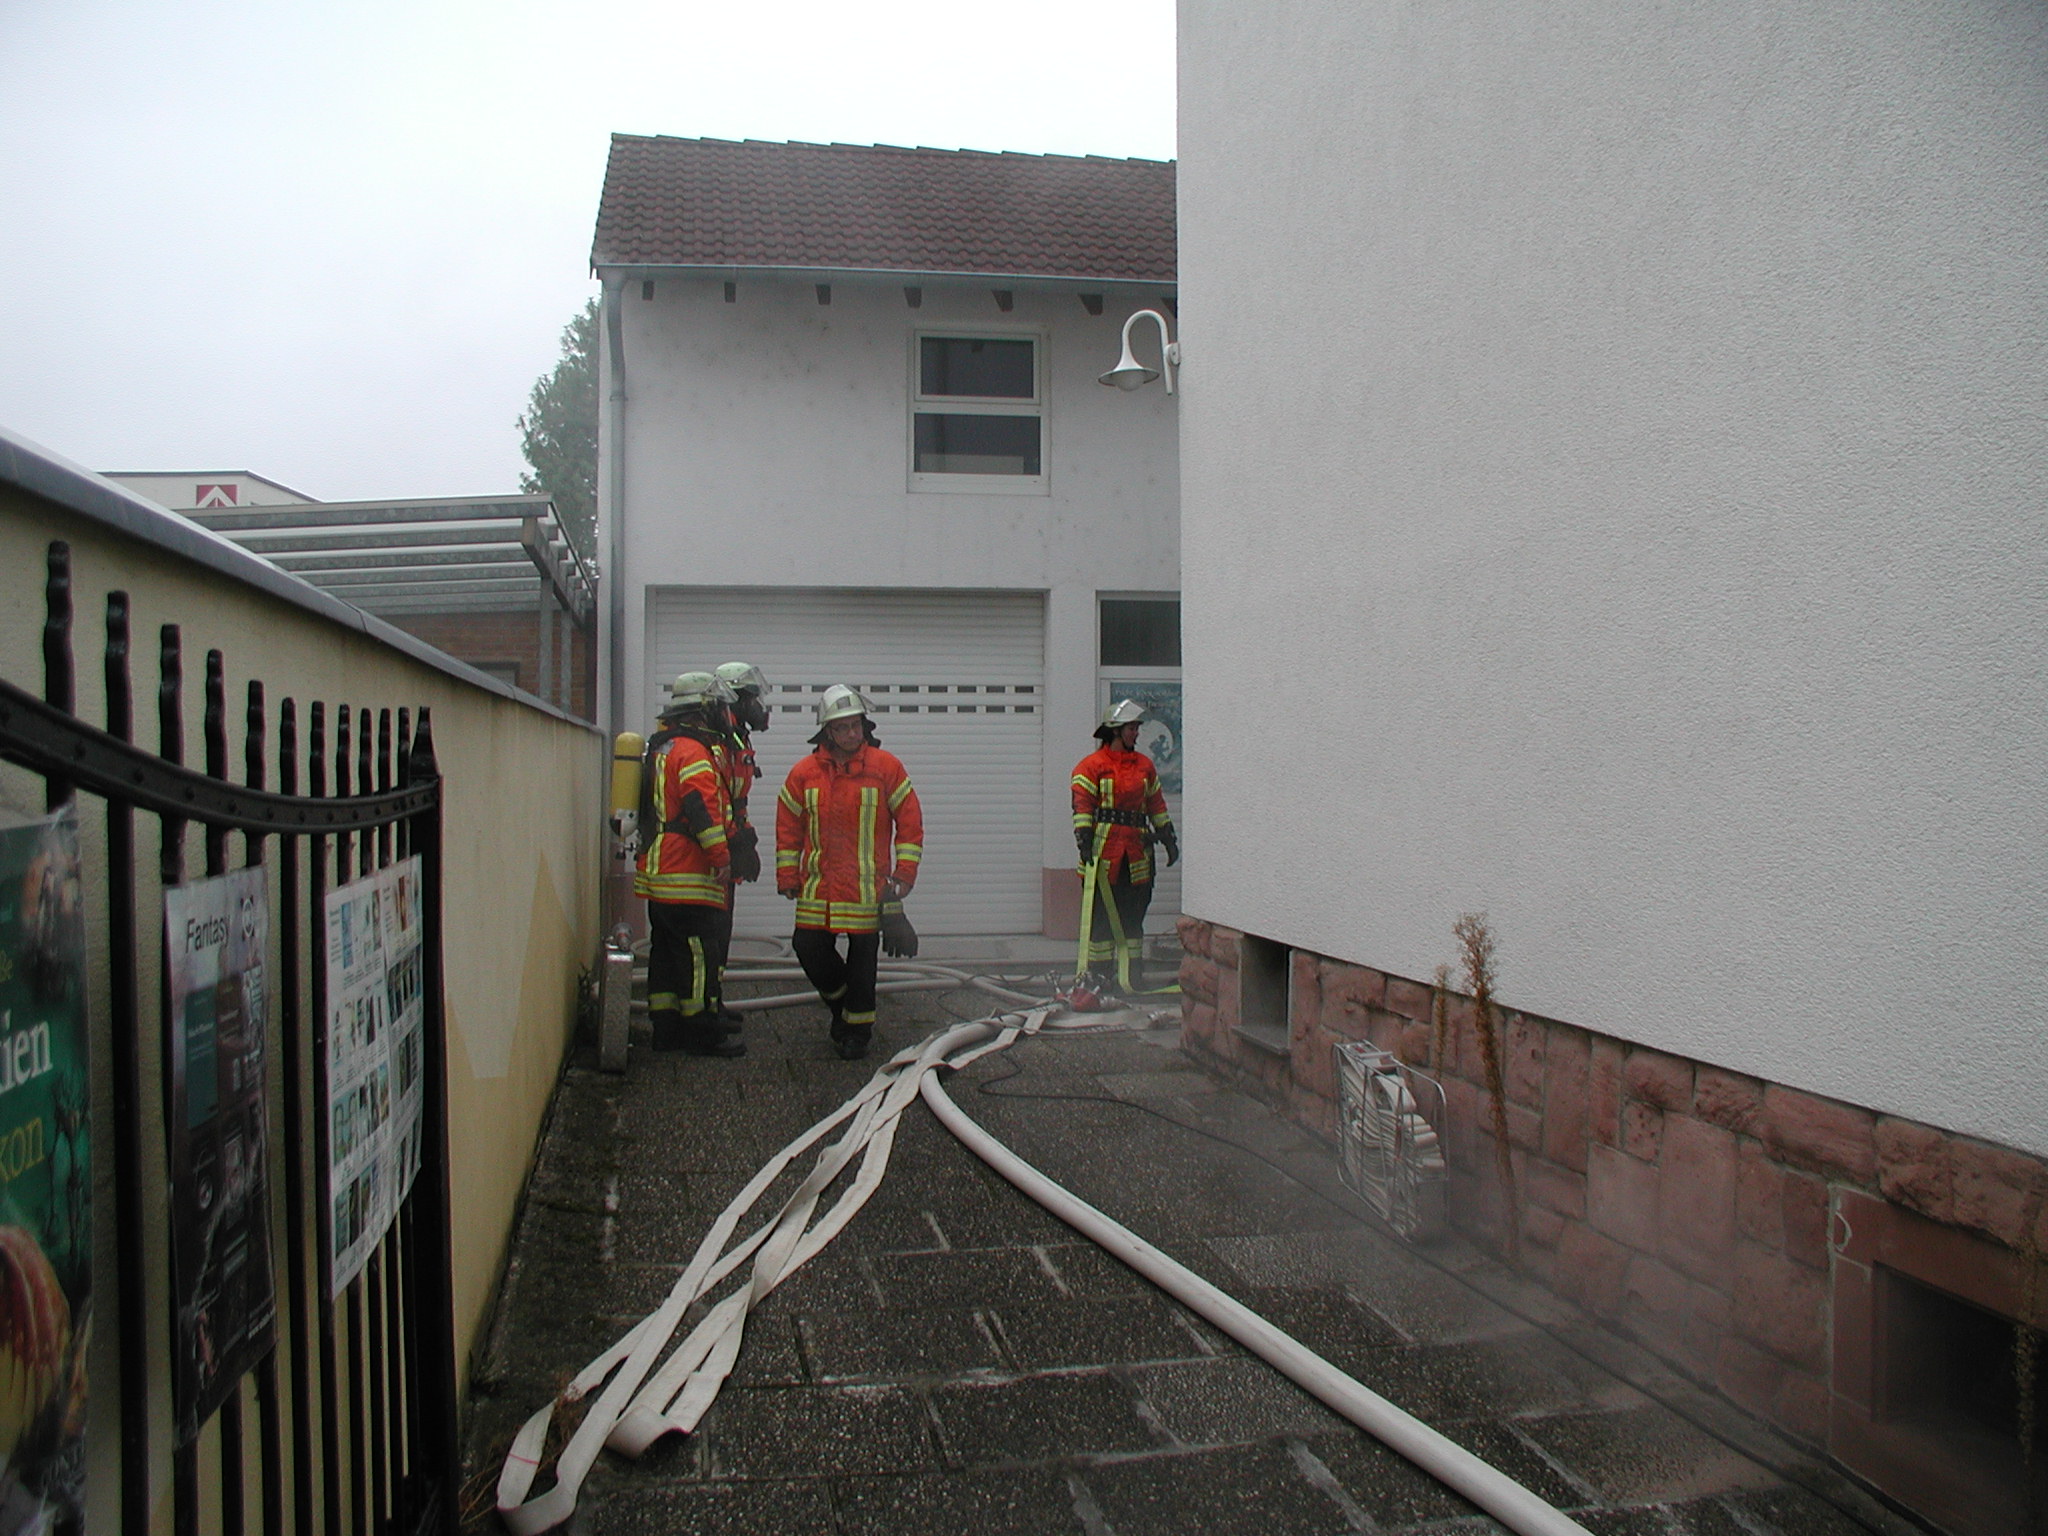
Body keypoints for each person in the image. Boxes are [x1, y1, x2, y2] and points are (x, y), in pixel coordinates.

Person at [775, 685, 923, 1060]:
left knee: (863, 962)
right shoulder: (803, 773)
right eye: (842, 727)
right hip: (818, 886)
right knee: (807, 947)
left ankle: (857, 1032)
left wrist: (904, 873)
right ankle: (843, 1005)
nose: (851, 733)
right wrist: (787, 875)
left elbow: (909, 821)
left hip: (866, 889)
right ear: (827, 731)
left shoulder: (886, 767)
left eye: (856, 725)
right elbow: (788, 827)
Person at [634, 672, 744, 1056]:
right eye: (719, 708)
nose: (724, 715)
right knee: (699, 956)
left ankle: (665, 1031)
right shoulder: (694, 753)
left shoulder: (661, 747)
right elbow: (702, 811)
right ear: (703, 710)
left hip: (659, 872)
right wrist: (722, 858)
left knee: (665, 952)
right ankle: (702, 1033)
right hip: (688, 874)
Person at [1071, 699, 1179, 990]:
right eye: (1132, 728)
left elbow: (1156, 805)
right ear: (1115, 730)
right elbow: (1082, 805)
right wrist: (1084, 839)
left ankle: (1131, 977)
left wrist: (1168, 837)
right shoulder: (1091, 766)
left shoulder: (1144, 766)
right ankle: (1100, 978)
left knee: (1133, 919)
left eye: (1136, 728)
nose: (1136, 733)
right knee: (1102, 920)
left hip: (1138, 855)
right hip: (1104, 856)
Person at [708, 661, 772, 1025]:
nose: (757, 706)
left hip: (727, 842)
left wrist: (745, 837)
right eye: (751, 698)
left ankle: (713, 1001)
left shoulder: (734, 737)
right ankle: (703, 1010)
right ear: (735, 699)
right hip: (710, 853)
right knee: (711, 933)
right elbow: (714, 799)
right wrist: (735, 841)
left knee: (721, 931)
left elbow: (736, 800)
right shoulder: (718, 740)